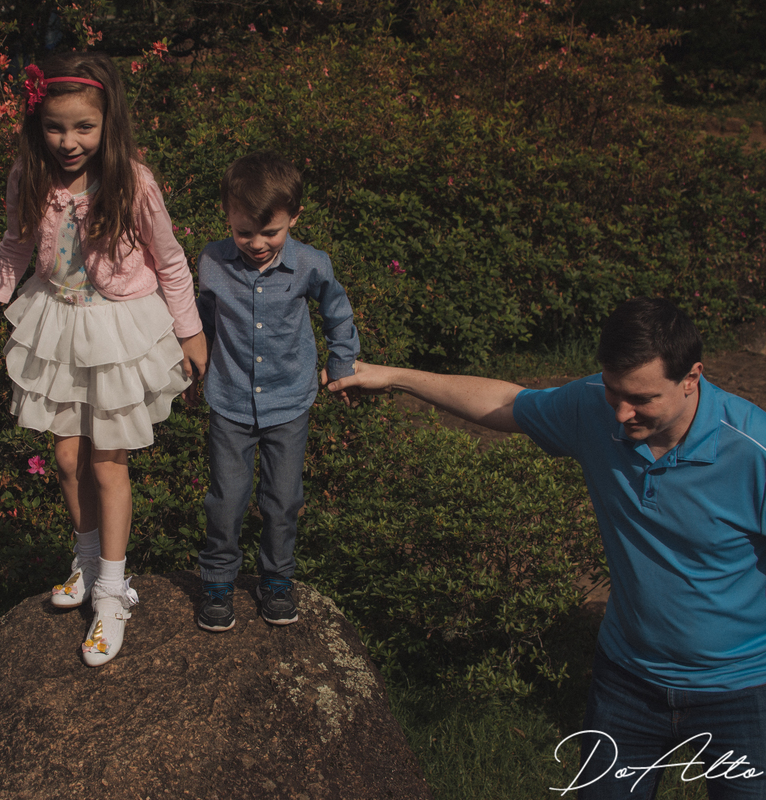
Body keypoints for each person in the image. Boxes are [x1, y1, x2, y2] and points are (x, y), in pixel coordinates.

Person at [326, 297, 766, 799]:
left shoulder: (753, 451)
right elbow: (508, 403)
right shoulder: (594, 406)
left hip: (743, 690)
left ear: (691, 377)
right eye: (614, 392)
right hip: (627, 681)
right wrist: (394, 377)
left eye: (641, 399)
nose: (622, 413)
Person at [0, 52, 206, 667]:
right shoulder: (29, 175)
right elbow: (14, 245)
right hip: (59, 323)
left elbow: (170, 260)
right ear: (37, 124)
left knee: (107, 463)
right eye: (55, 127)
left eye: (83, 127)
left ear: (107, 122)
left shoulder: (133, 183)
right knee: (67, 458)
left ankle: (113, 593)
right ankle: (88, 562)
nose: (68, 141)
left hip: (118, 329)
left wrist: (191, 332)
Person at [194, 151, 360, 632]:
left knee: (283, 499)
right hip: (229, 399)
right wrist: (190, 367)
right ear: (227, 215)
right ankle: (218, 581)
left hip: (289, 400)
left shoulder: (311, 263)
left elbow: (338, 313)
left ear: (294, 218)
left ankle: (277, 579)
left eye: (271, 232)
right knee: (226, 498)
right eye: (244, 232)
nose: (257, 243)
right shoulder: (211, 262)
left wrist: (341, 362)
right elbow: (200, 321)